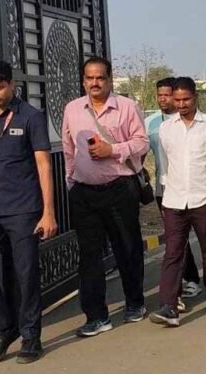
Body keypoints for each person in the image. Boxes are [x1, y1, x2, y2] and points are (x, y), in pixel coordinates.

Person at [0, 61, 57, 363]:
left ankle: (31, 335)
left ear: (11, 85)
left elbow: (44, 164)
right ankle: (3, 328)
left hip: (23, 209)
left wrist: (48, 212)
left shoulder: (31, 116)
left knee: (26, 273)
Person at [62, 57, 149, 338]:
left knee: (127, 248)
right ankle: (96, 316)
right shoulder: (72, 109)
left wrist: (112, 150)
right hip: (84, 192)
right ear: (83, 81)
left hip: (119, 189)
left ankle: (135, 303)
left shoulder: (127, 107)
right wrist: (71, 180)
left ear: (109, 79)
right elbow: (68, 148)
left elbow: (142, 142)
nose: (95, 83)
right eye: (90, 78)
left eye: (100, 77)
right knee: (89, 256)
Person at [149, 77, 206, 327]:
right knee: (173, 252)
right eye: (177, 100)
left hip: (203, 198)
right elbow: (164, 164)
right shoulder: (166, 128)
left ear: (195, 97)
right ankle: (169, 305)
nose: (181, 104)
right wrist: (165, 193)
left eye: (186, 99)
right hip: (174, 200)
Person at [144, 78, 202, 303]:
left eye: (167, 95)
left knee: (204, 238)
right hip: (165, 190)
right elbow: (141, 152)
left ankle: (205, 282)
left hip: (197, 190)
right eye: (159, 95)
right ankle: (186, 281)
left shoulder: (196, 121)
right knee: (175, 239)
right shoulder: (150, 123)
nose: (163, 99)